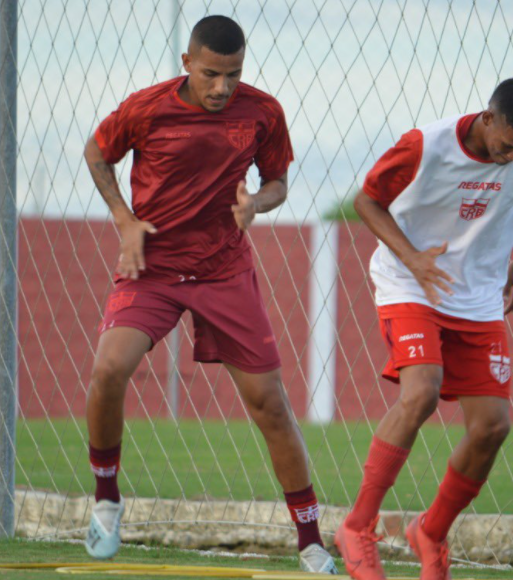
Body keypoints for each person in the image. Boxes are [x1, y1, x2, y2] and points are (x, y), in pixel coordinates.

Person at [82, 15, 336, 573]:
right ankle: (106, 499)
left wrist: (257, 206)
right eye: (212, 74)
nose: (223, 87)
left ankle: (312, 541)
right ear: (187, 65)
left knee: (271, 404)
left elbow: (277, 184)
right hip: (153, 265)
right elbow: (97, 153)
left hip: (223, 271)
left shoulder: (263, 112)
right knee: (107, 372)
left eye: (234, 74)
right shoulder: (145, 109)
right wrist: (125, 220)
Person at [334, 77, 513, 580]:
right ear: (487, 118)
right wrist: (411, 257)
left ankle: (431, 532)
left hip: (478, 294)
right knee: (422, 394)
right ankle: (357, 526)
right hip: (411, 282)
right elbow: (367, 201)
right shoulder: (425, 146)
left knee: (492, 427)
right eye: (505, 146)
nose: (510, 159)